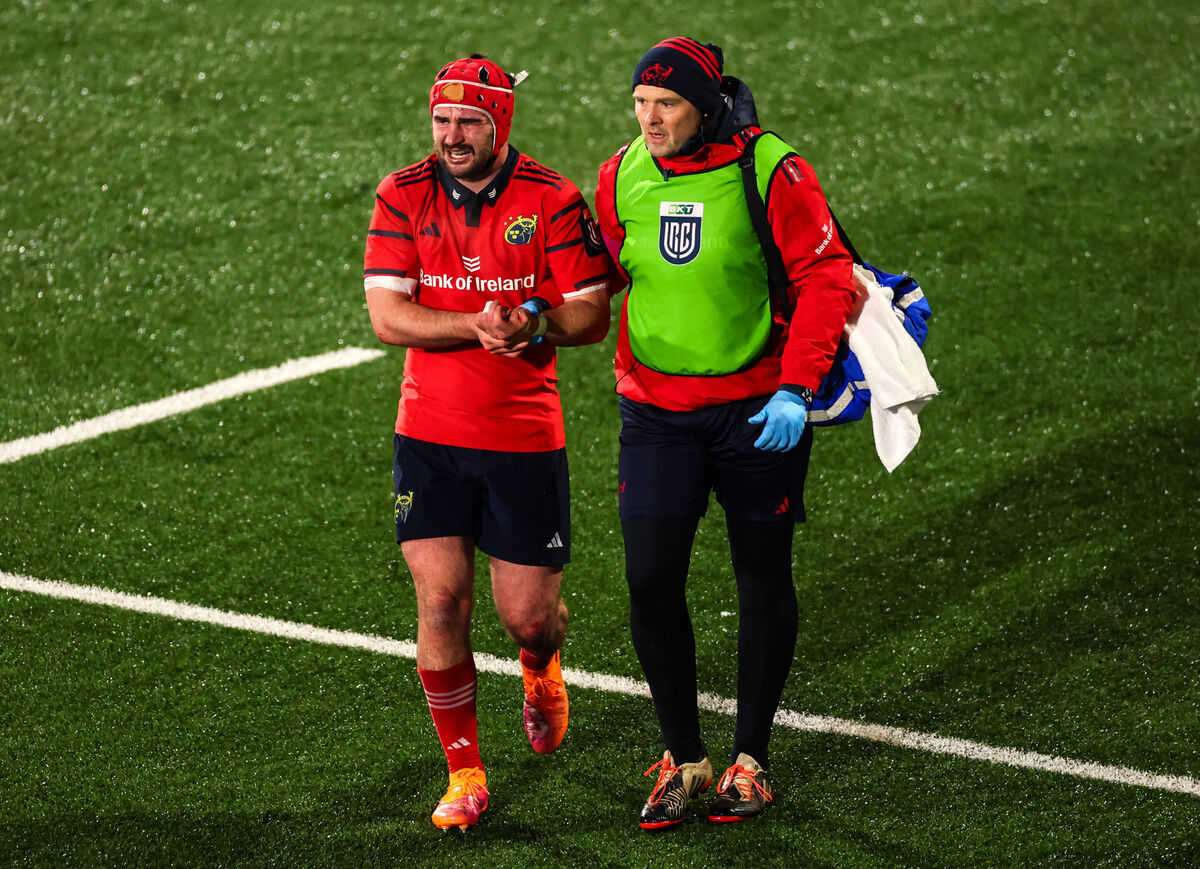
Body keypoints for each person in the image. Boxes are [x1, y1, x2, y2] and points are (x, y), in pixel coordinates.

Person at [594, 36, 857, 829]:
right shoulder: (620, 174)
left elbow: (825, 276)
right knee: (650, 578)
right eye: (640, 103)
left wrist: (796, 388)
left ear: (706, 108)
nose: (650, 119)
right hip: (656, 412)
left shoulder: (772, 168)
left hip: (757, 412)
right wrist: (536, 308)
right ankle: (683, 756)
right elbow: (604, 274)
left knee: (761, 576)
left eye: (667, 104)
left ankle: (751, 759)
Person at [362, 54, 613, 831]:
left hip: (522, 438)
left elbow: (591, 313)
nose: (451, 136)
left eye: (468, 121)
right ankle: (465, 771)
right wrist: (475, 325)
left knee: (528, 617)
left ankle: (540, 665)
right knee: (440, 600)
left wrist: (534, 321)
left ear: (499, 122)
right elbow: (387, 317)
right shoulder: (402, 192)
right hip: (428, 434)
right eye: (441, 120)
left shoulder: (554, 198)